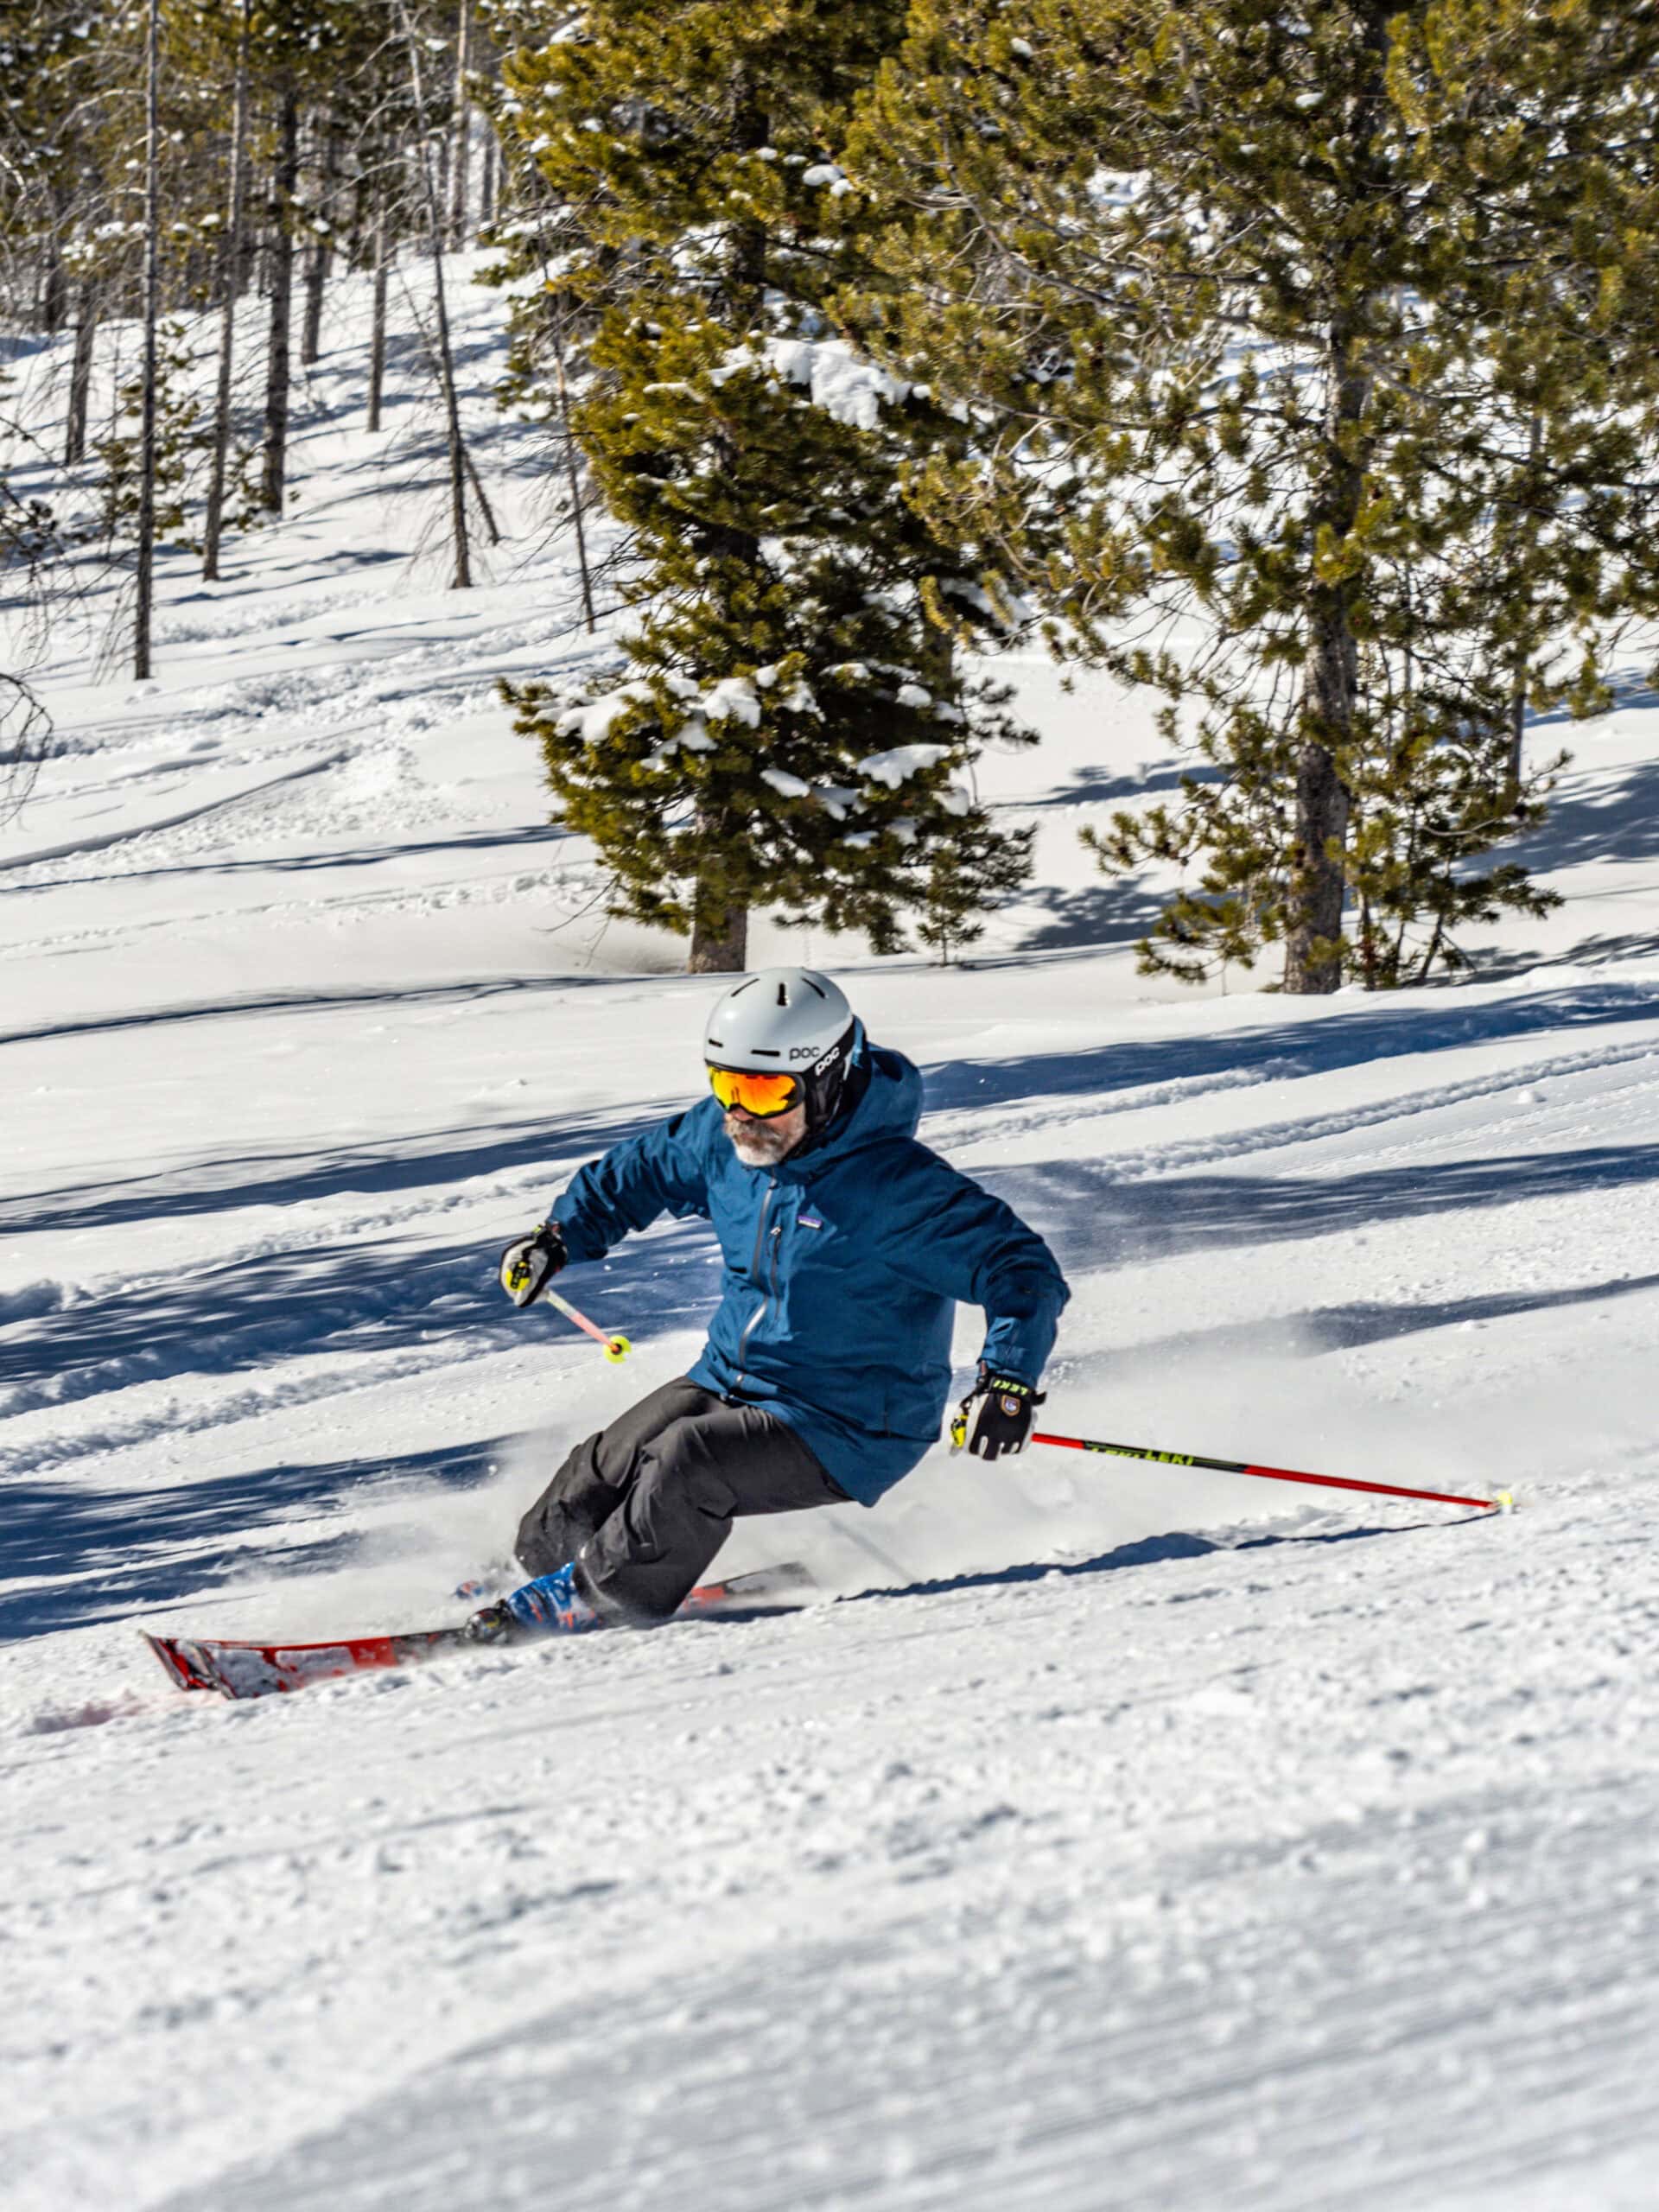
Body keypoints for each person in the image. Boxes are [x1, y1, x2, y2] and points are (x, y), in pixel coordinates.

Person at [468, 966, 1069, 1640]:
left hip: (849, 1422)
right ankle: (528, 1572)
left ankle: (599, 1598)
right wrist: (559, 1237)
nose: (740, 1113)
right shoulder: (727, 1140)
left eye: (763, 1088)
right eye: (725, 1083)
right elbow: (639, 1172)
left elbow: (1021, 1270)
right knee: (612, 1457)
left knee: (688, 1460)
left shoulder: (899, 1189)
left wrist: (1008, 1381)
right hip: (731, 1379)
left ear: (828, 1076)